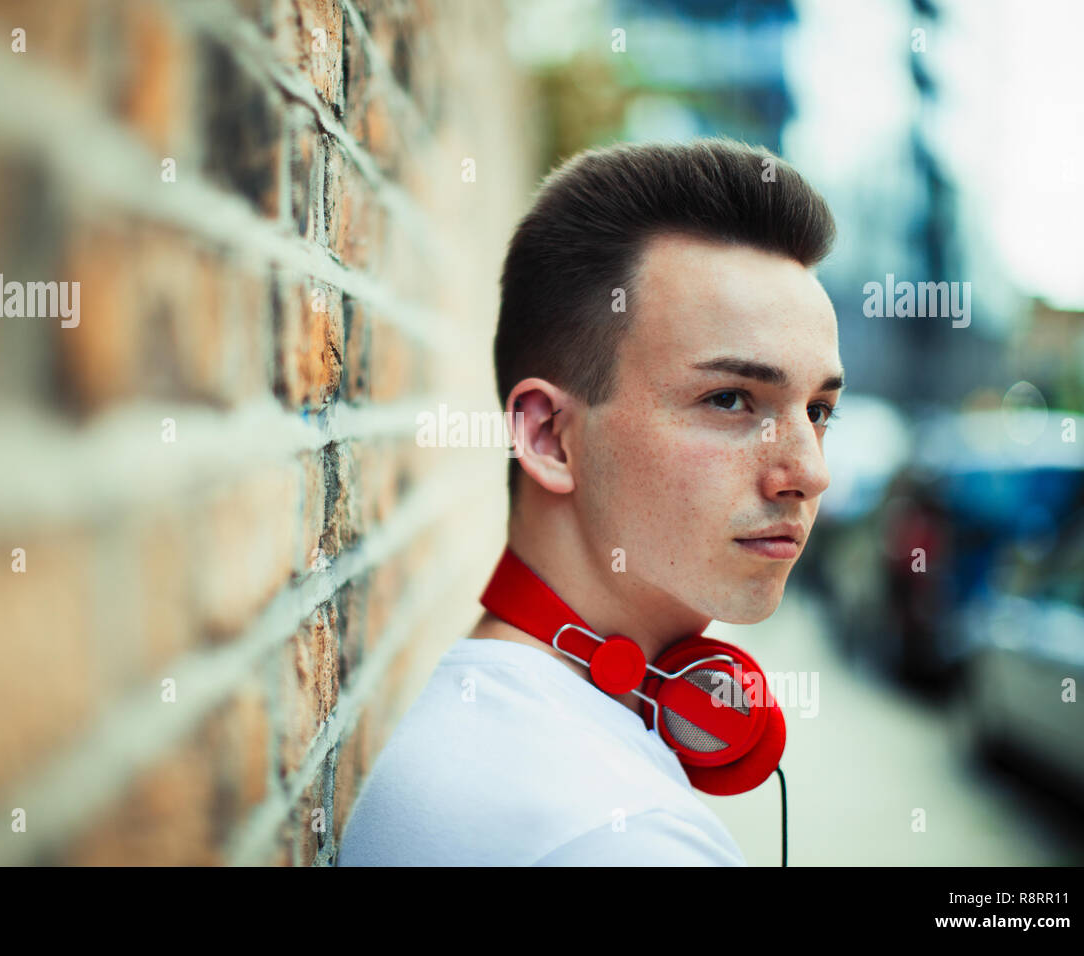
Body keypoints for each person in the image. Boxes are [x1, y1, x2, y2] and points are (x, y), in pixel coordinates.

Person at [337, 138, 842, 866]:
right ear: (547, 436)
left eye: (818, 410)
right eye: (730, 399)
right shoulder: (619, 835)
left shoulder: (489, 726)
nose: (809, 471)